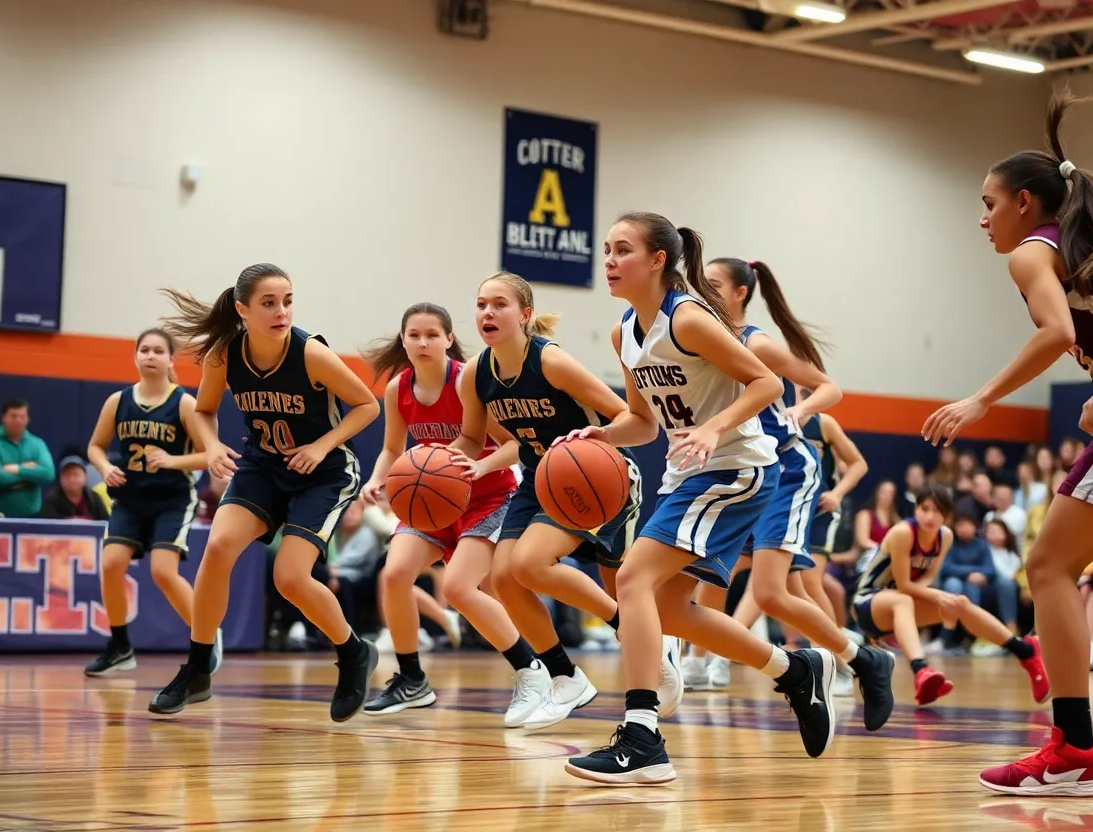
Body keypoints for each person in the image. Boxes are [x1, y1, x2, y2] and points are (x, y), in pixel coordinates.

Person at [923, 87, 1093, 796]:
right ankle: (1075, 752)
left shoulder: (1034, 253)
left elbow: (1059, 333)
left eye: (989, 204)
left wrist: (980, 399)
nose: (983, 219)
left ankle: (1075, 752)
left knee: (1048, 567)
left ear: (1025, 205)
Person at [564, 213, 838, 786]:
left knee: (630, 580)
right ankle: (794, 669)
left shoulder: (687, 319)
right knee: (666, 611)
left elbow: (766, 383)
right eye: (606, 250)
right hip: (688, 472)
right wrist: (602, 434)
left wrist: (716, 428)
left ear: (658, 259)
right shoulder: (624, 333)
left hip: (735, 468)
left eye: (623, 249)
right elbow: (643, 421)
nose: (609, 261)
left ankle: (641, 737)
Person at [148, 263, 381, 721]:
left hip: (325, 470)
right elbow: (205, 411)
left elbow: (368, 405)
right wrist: (212, 446)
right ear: (243, 310)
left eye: (288, 301)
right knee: (217, 547)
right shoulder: (224, 354)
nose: (282, 311)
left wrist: (321, 444)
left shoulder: (310, 353)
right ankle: (197, 669)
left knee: (290, 578)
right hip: (262, 464)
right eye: (269, 303)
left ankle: (354, 652)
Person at [450, 273, 680, 732]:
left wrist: (595, 441)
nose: (487, 313)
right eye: (480, 305)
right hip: (540, 479)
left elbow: (624, 414)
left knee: (540, 567)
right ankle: (565, 675)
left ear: (526, 315)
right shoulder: (476, 373)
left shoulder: (551, 361)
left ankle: (635, 633)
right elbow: (473, 438)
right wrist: (438, 463)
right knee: (504, 577)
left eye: (499, 304)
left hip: (597, 474)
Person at [679, 258, 894, 715]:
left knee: (774, 592)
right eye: (702, 285)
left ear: (740, 293)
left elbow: (827, 387)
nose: (705, 292)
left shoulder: (755, 342)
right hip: (740, 470)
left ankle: (858, 658)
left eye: (714, 285)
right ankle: (701, 660)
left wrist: (802, 410)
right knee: (711, 568)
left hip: (788, 470)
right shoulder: (699, 335)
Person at [359, 302, 525, 717]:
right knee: (394, 574)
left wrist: (465, 465)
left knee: (471, 589)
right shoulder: (399, 388)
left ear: (449, 339)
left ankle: (535, 668)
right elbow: (392, 450)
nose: (423, 342)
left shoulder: (469, 378)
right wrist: (378, 479)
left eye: (432, 334)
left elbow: (513, 443)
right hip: (432, 503)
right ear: (404, 340)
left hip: (487, 496)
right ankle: (412, 679)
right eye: (414, 335)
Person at [82, 329, 211, 677]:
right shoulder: (117, 401)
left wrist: (172, 461)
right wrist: (106, 467)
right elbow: (95, 446)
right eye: (145, 350)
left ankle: (207, 638)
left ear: (171, 360)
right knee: (110, 565)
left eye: (158, 351)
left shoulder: (183, 403)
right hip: (130, 499)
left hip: (172, 500)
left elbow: (210, 454)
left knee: (162, 572)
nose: (151, 356)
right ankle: (120, 646)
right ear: (135, 357)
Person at [851, 484, 1049, 706]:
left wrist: (945, 601)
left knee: (960, 603)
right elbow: (905, 585)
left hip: (900, 603)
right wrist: (937, 597)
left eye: (937, 511)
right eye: (924, 509)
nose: (930, 516)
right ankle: (920, 669)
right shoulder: (903, 532)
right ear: (916, 509)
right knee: (908, 599)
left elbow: (926, 578)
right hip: (867, 602)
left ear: (947, 515)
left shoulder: (945, 537)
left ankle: (1025, 651)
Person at [0, 398, 55, 517]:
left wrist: (17, 469)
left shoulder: (37, 444)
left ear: (28, 419)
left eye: (22, 416)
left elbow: (48, 474)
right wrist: (30, 476)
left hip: (33, 517)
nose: (18, 420)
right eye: (14, 416)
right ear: (3, 417)